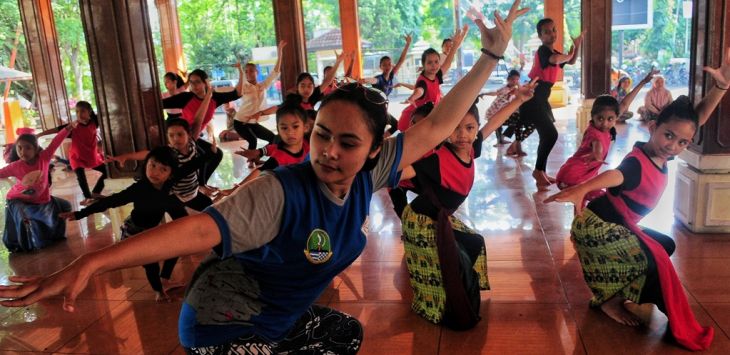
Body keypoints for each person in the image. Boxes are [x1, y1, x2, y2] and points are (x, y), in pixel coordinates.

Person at [0, 3, 529, 353]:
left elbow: (438, 124)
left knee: (345, 334)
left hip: (277, 319)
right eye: (322, 134)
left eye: (348, 142)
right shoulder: (280, 190)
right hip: (223, 326)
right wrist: (92, 260)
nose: (328, 150)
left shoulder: (373, 174)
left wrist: (491, 55)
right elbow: (196, 231)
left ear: (373, 149)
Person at [544, 49, 730, 351]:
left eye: (682, 142)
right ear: (654, 128)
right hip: (596, 227)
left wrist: (720, 88)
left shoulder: (663, 152)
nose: (674, 146)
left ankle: (622, 289)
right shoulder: (638, 160)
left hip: (620, 223)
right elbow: (614, 176)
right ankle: (608, 300)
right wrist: (581, 189)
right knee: (653, 260)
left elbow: (694, 120)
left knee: (665, 245)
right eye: (669, 136)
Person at [401, 79, 536, 329]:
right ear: (445, 129)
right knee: (444, 267)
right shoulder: (437, 159)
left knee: (473, 243)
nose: (462, 135)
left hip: (439, 216)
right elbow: (401, 171)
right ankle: (436, 309)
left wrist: (519, 100)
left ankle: (459, 293)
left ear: (475, 129)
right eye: (455, 128)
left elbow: (494, 121)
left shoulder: (471, 148)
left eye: (469, 128)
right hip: (421, 221)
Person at [60, 147, 188, 302]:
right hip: (136, 231)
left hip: (153, 230)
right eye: (152, 165)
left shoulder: (167, 185)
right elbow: (111, 201)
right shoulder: (139, 189)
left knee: (176, 248)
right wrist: (80, 214)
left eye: (163, 169)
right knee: (151, 263)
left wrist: (212, 153)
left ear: (170, 174)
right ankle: (159, 292)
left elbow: (191, 166)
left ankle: (165, 280)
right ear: (146, 163)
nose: (155, 172)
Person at [555, 69, 658, 199]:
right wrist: (597, 156)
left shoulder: (606, 123)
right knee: (600, 199)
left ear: (616, 118)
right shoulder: (595, 134)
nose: (605, 124)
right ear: (593, 116)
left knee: (583, 202)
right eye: (600, 119)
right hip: (573, 177)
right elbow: (597, 145)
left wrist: (643, 82)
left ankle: (579, 217)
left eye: (610, 119)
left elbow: (625, 103)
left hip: (577, 174)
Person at [519, 18, 584, 189]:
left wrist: (576, 46)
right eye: (547, 32)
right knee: (550, 134)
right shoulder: (543, 51)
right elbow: (556, 59)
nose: (552, 34)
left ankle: (540, 171)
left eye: (554, 30)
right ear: (540, 36)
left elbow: (570, 61)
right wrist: (570, 54)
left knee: (547, 135)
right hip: (534, 97)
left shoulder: (553, 51)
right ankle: (538, 171)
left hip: (541, 97)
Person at [0, 121, 77, 252]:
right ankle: (28, 246)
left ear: (36, 149)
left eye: (28, 147)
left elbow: (56, 142)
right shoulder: (16, 166)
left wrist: (68, 128)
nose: (23, 151)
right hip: (18, 200)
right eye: (19, 148)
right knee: (24, 218)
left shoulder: (44, 158)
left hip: (42, 200)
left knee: (66, 206)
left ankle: (56, 236)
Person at [162, 68, 241, 186]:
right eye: (191, 82)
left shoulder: (214, 97)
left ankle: (201, 185)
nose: (194, 85)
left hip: (195, 136)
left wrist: (241, 71)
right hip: (185, 137)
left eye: (197, 82)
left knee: (216, 154)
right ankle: (201, 186)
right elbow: (160, 103)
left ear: (205, 82)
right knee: (207, 155)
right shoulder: (185, 97)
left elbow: (237, 94)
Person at [222, 105, 309, 196]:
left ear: (306, 127)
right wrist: (235, 189)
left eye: (295, 126)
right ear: (278, 129)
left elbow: (270, 148)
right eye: (284, 128)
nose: (290, 132)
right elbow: (259, 171)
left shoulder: (309, 145)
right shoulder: (280, 156)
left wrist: (258, 152)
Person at [397, 26, 468, 132]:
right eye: (429, 63)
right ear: (424, 65)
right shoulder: (422, 81)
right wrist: (412, 97)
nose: (434, 65)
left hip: (429, 114)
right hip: (416, 119)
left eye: (436, 62)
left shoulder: (436, 75)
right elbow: (419, 90)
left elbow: (447, 64)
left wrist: (456, 44)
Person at [38, 101, 108, 206]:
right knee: (81, 178)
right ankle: (88, 197)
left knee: (107, 171)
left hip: (91, 156)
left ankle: (96, 193)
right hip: (76, 157)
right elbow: (56, 129)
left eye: (83, 111)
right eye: (77, 111)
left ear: (89, 112)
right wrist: (39, 134)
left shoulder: (95, 122)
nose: (79, 114)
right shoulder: (73, 126)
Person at [233, 41, 286, 150]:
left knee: (273, 138)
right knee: (253, 140)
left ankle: (258, 157)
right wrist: (239, 70)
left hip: (252, 122)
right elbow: (237, 85)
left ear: (257, 72)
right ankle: (252, 161)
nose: (248, 73)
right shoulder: (244, 87)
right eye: (246, 71)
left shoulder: (262, 86)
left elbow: (275, 72)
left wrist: (280, 51)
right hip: (240, 121)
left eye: (251, 71)